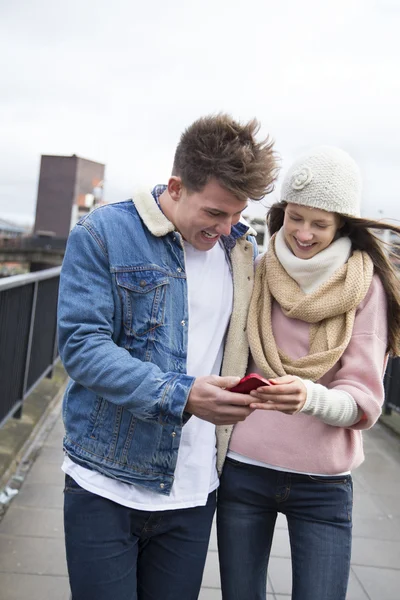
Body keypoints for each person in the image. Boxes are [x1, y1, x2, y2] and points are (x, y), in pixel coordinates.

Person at [57, 113, 278, 600]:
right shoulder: (103, 233)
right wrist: (182, 395)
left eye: (237, 214)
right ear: (177, 187)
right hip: (105, 482)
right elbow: (81, 346)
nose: (227, 227)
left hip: (195, 490)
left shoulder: (241, 249)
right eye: (215, 213)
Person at [216, 146, 400, 600]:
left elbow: (364, 402)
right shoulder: (256, 271)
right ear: (281, 213)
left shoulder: (366, 287)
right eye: (295, 217)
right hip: (244, 470)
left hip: (323, 484)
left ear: (342, 225)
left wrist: (308, 397)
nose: (303, 233)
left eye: (320, 224)